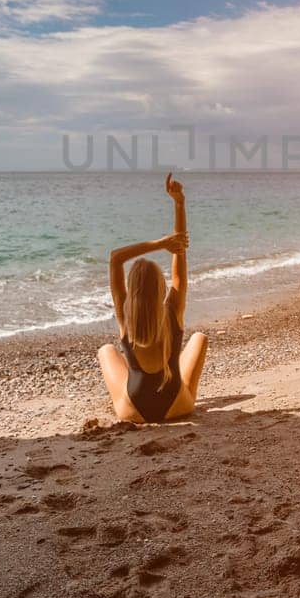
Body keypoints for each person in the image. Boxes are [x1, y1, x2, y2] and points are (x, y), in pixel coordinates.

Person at [96, 173, 208, 423]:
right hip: (177, 406)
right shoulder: (172, 311)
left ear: (132, 289)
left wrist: (158, 244)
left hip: (134, 411)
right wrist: (179, 204)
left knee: (106, 350)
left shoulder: (125, 316)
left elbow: (115, 258)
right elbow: (179, 262)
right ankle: (174, 379)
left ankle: (153, 382)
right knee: (199, 338)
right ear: (160, 287)